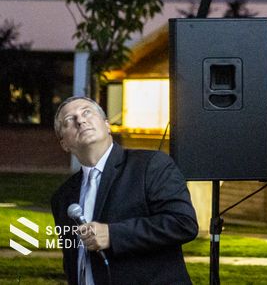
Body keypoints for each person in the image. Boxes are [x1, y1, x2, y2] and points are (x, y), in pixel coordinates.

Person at [50, 96, 198, 284]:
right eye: (69, 120)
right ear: (64, 144)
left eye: (87, 112)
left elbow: (182, 223)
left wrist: (113, 235)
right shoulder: (62, 197)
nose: (80, 120)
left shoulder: (150, 165)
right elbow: (73, 261)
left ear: (107, 125)